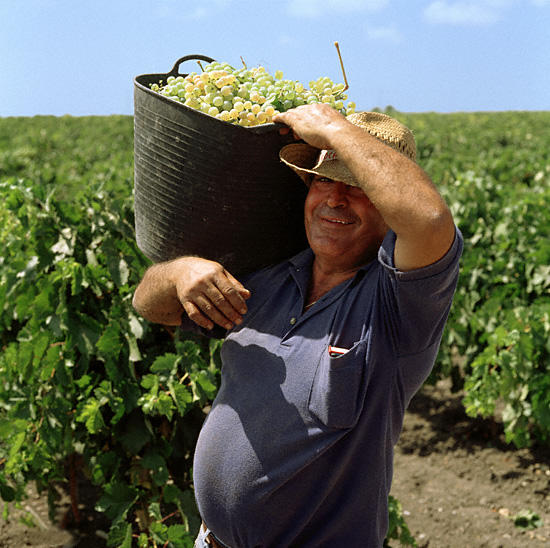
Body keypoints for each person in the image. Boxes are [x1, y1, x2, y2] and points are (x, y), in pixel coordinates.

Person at [132, 103, 463, 547]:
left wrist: (332, 128)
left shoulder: (397, 307)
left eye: (358, 186)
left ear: (388, 210)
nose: (335, 198)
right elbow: (151, 305)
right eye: (324, 180)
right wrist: (179, 272)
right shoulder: (267, 280)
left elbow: (431, 220)